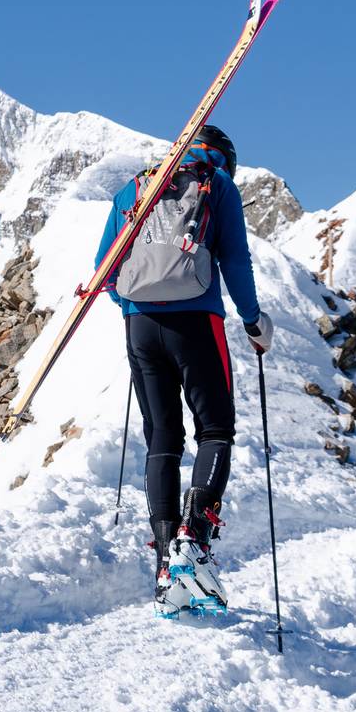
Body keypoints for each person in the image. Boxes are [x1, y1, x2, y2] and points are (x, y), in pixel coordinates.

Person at [93, 124, 273, 607]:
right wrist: (254, 322)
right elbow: (235, 262)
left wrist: (139, 309)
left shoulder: (136, 187)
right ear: (222, 158)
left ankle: (163, 563)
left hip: (140, 326)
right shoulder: (219, 184)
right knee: (214, 429)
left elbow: (104, 271)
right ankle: (193, 543)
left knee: (162, 439)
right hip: (197, 322)